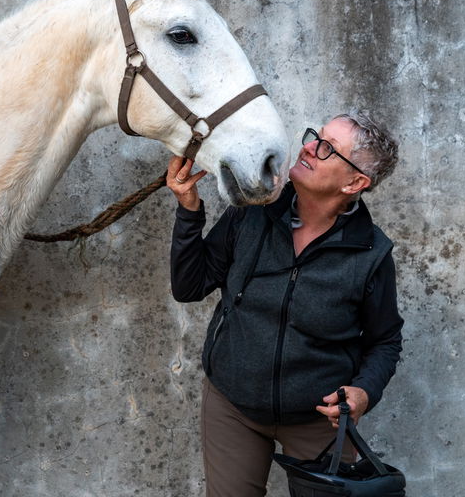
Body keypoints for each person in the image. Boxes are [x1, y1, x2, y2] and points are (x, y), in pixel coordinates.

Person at [167, 111, 404, 497]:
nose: (308, 147)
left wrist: (364, 392)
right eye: (315, 136)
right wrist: (189, 210)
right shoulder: (252, 211)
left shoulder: (371, 253)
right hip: (233, 406)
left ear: (355, 182)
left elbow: (385, 340)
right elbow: (189, 286)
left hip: (319, 421)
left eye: (327, 148)